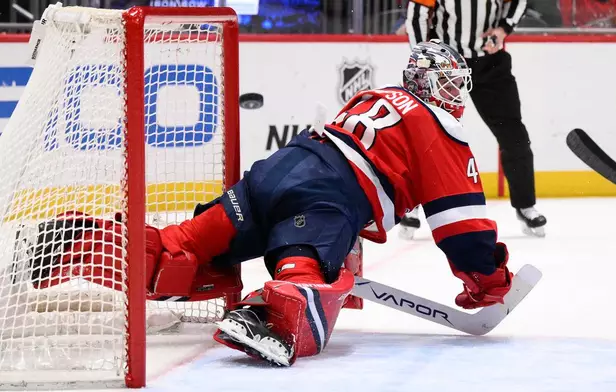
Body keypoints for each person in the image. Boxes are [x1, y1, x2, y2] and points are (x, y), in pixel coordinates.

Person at [28, 40, 514, 367]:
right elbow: (463, 229)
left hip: (276, 170)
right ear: (434, 86)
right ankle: (265, 316)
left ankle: (72, 244)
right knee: (303, 267)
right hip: (325, 197)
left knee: (185, 247)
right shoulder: (440, 132)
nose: (454, 94)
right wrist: (489, 284)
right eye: (449, 83)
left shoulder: (376, 95)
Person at [401, 0, 547, 239]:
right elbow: (417, 15)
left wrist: (503, 28)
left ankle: (525, 204)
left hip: (489, 62)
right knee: (425, 133)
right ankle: (412, 204)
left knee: (513, 133)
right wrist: (424, 59)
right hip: (443, 66)